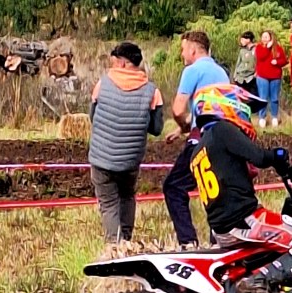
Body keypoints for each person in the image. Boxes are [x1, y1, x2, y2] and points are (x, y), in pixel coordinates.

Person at [188, 83, 292, 293]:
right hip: (246, 220)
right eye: (244, 108)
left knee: (281, 247)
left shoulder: (199, 150)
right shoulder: (223, 130)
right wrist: (277, 155)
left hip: (223, 229)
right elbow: (258, 157)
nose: (247, 115)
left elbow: (231, 175)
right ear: (226, 106)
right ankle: (258, 282)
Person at [88, 41, 164, 244]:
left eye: (114, 62)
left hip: (101, 158)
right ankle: (127, 241)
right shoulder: (152, 91)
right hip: (130, 160)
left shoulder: (103, 83)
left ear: (122, 63)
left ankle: (114, 244)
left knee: (108, 203)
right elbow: (157, 128)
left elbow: (93, 117)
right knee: (127, 196)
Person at [163, 31, 230, 250]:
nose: (182, 54)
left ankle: (188, 241)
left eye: (183, 49)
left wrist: (184, 125)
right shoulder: (221, 72)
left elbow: (177, 109)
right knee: (214, 189)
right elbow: (210, 110)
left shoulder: (192, 71)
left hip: (200, 139)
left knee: (174, 187)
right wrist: (183, 129)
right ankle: (218, 241)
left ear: (193, 49)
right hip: (223, 138)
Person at [254, 30, 288, 128]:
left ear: (271, 38)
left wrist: (277, 62)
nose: (264, 39)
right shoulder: (259, 47)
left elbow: (284, 61)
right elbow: (261, 57)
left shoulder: (278, 48)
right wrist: (267, 48)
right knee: (263, 98)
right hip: (262, 76)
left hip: (275, 76)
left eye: (266, 37)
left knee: (274, 98)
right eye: (263, 37)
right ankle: (262, 118)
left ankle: (274, 117)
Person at [233, 31, 258, 96]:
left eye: (242, 39)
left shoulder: (256, 49)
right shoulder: (242, 50)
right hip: (240, 77)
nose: (241, 41)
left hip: (251, 77)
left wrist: (256, 73)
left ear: (248, 39)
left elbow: (259, 62)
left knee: (252, 97)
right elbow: (238, 63)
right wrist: (235, 76)